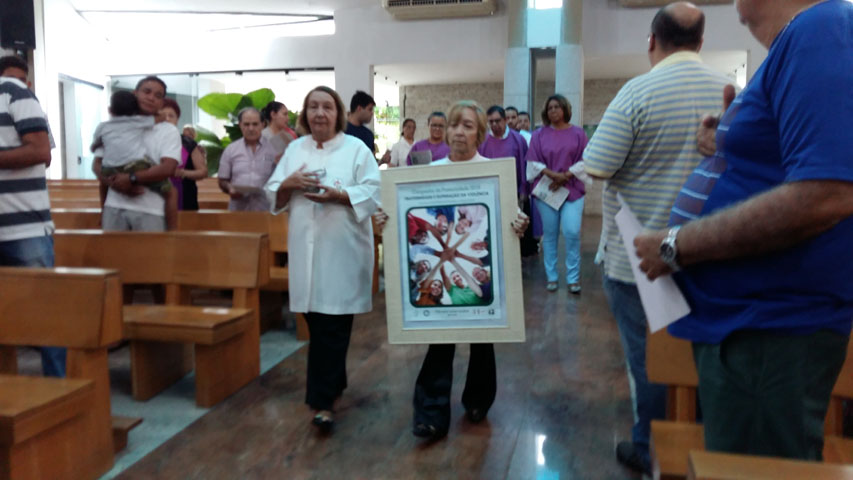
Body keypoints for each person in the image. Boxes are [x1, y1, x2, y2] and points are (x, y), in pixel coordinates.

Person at [634, 0, 853, 462]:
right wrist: (728, 142)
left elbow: (826, 194)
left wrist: (675, 246)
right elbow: (788, 164)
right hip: (751, 331)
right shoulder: (803, 39)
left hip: (768, 331)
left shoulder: (820, 29)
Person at [581, 3, 732, 474]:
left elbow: (598, 166)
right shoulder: (731, 92)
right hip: (707, 254)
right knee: (701, 360)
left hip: (640, 260)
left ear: (651, 40)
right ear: (701, 42)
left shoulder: (638, 91)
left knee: (650, 363)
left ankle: (651, 449)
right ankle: (700, 447)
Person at [408, 100, 529, 440]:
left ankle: (478, 401)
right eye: (454, 125)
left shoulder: (495, 172)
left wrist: (517, 223)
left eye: (468, 126)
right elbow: (413, 214)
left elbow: (506, 218)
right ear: (446, 131)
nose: (459, 132)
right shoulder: (429, 172)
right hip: (440, 269)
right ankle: (430, 412)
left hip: (481, 268)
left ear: (480, 134)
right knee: (439, 339)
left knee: (482, 338)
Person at [264, 86, 381, 432]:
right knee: (317, 323)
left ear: (338, 113)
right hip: (305, 250)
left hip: (343, 252)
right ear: (305, 114)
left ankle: (322, 402)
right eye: (313, 107)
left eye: (327, 107)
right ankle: (334, 383)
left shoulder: (356, 149)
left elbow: (374, 192)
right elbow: (273, 195)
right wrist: (288, 183)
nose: (319, 113)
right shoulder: (295, 149)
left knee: (332, 327)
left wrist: (340, 195)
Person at [0, 55, 65, 377]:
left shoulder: (15, 93)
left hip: (22, 225)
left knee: (46, 310)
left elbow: (41, 152)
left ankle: (60, 385)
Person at [94, 76, 181, 232]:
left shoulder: (168, 131)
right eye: (147, 92)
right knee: (111, 250)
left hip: (151, 211)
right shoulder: (115, 126)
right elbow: (97, 164)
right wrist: (115, 183)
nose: (151, 98)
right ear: (135, 93)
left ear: (162, 102)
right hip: (114, 207)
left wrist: (131, 179)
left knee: (151, 253)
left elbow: (168, 168)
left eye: (158, 96)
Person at [526, 94, 588, 294]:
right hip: (548, 189)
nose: (553, 110)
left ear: (565, 109)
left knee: (572, 231)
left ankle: (573, 278)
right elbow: (533, 162)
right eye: (550, 107)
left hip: (572, 189)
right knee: (550, 234)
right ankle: (552, 276)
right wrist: (553, 175)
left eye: (557, 107)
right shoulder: (539, 135)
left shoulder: (578, 134)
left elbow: (586, 159)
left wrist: (566, 175)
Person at [478, 105, 535, 256]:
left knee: (513, 229)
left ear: (504, 120)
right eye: (491, 122)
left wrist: (524, 190)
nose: (494, 124)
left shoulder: (518, 139)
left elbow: (524, 166)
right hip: (489, 192)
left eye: (497, 121)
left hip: (513, 192)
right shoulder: (483, 141)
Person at [218, 107, 278, 212]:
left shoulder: (274, 149)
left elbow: (281, 179)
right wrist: (229, 188)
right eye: (246, 124)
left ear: (263, 125)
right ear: (240, 125)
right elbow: (222, 180)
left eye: (255, 124)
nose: (251, 128)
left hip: (265, 209)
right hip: (238, 209)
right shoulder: (231, 150)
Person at [158, 98, 207, 211]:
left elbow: (203, 172)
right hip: (155, 197)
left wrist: (182, 173)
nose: (167, 119)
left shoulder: (188, 143)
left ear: (177, 120)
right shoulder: (149, 140)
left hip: (186, 198)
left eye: (171, 116)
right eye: (163, 116)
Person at [345, 90, 389, 164]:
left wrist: (382, 161)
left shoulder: (368, 134)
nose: (372, 113)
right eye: (370, 109)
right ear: (359, 109)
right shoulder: (340, 131)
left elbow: (370, 164)